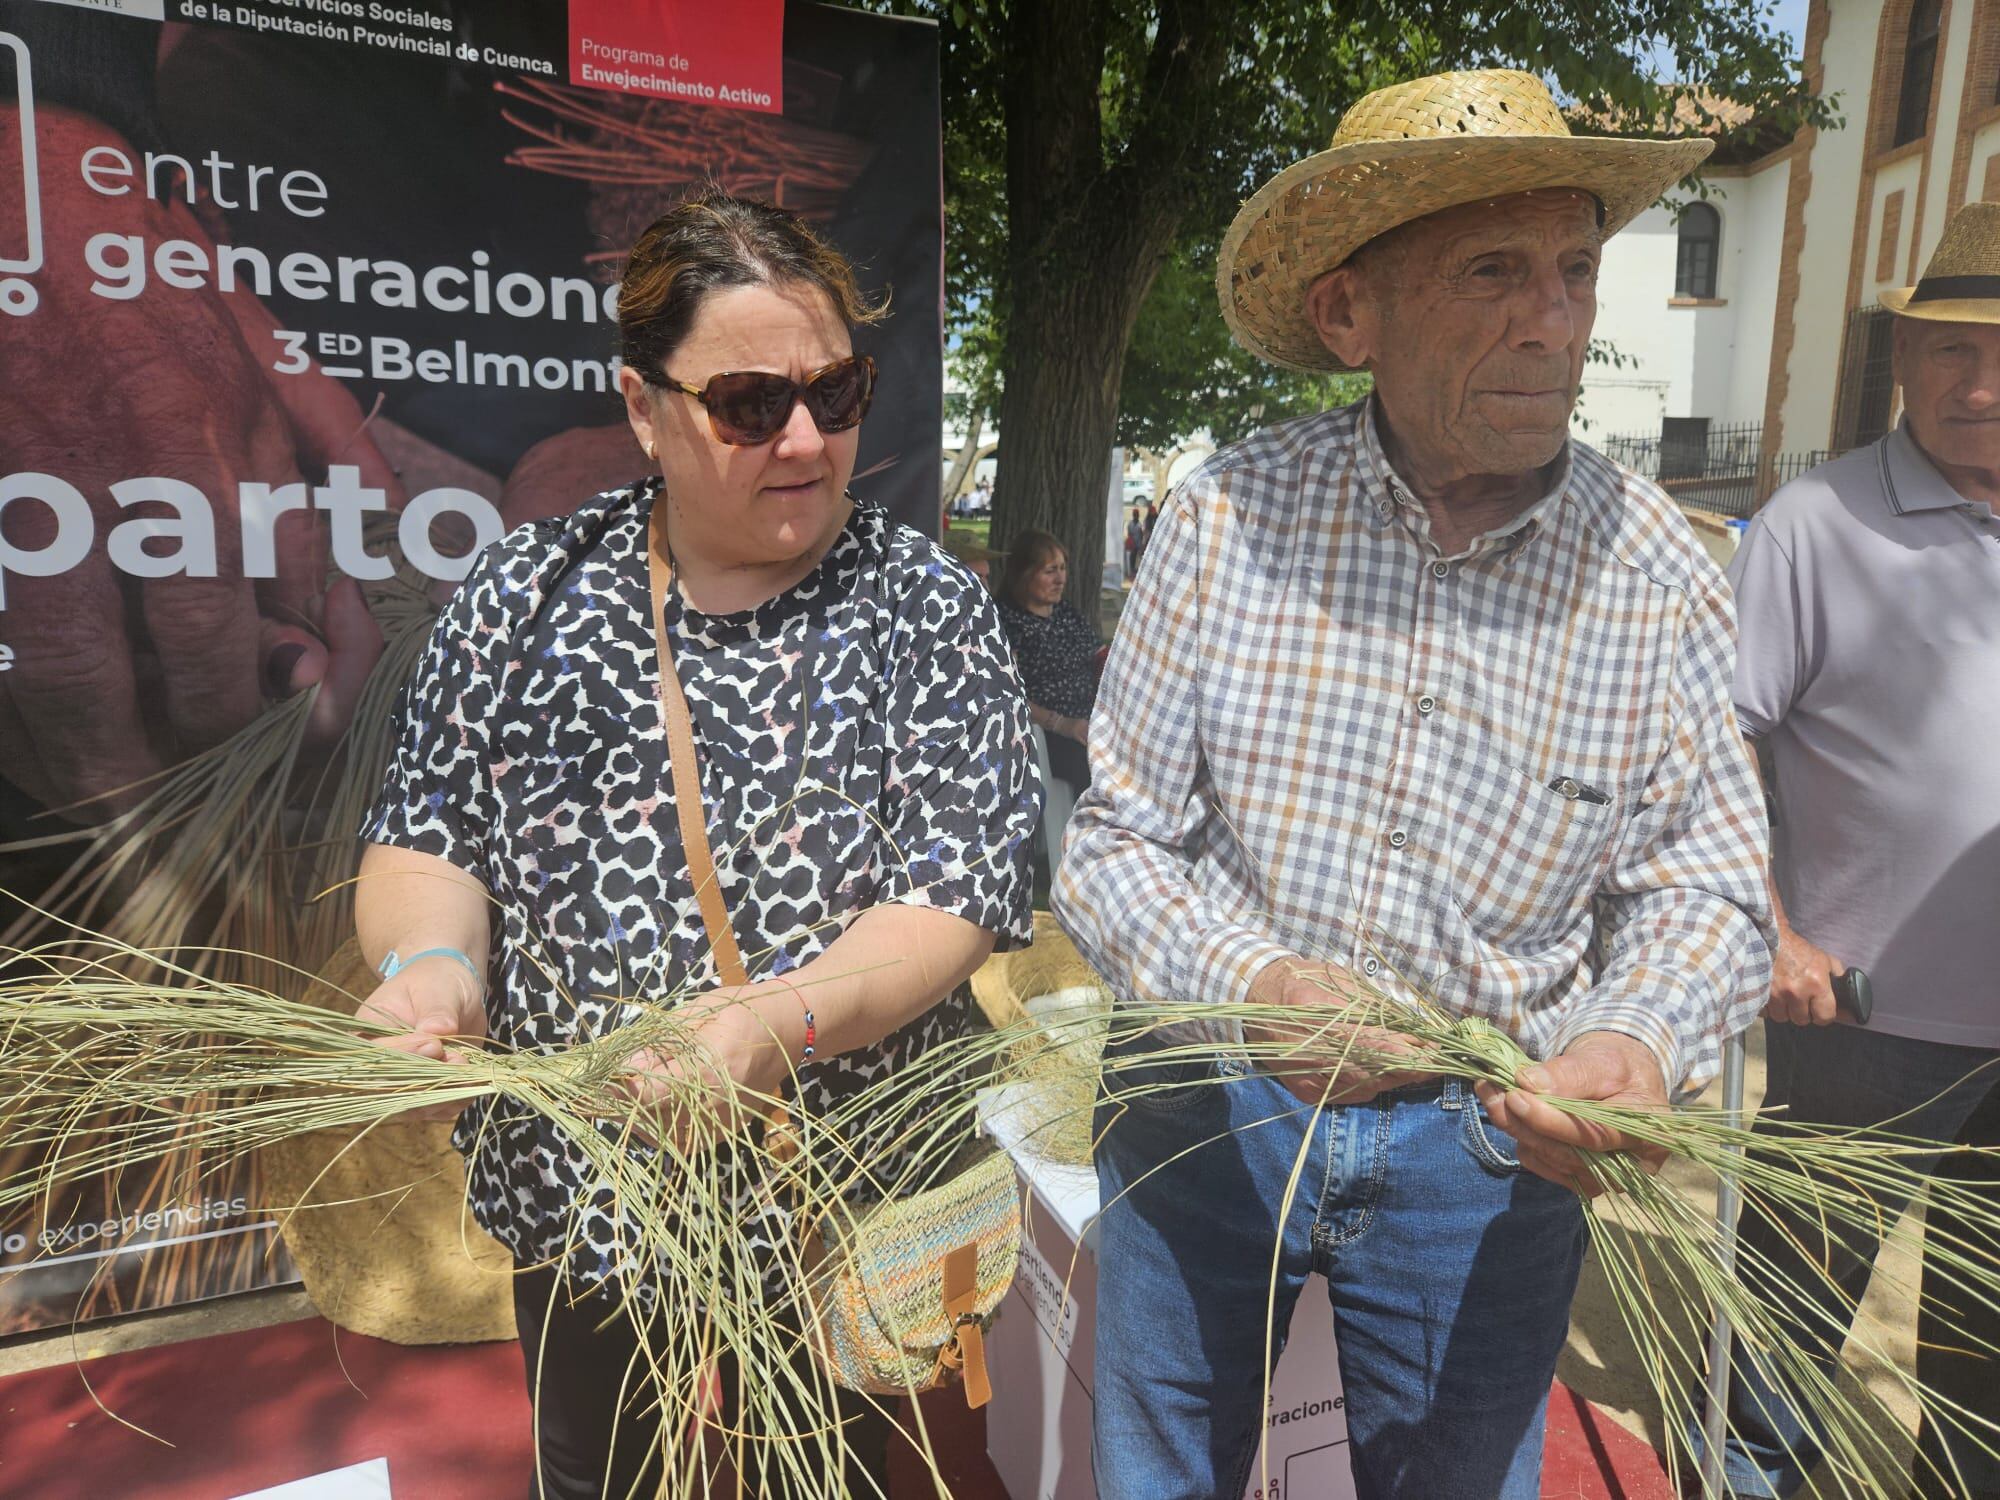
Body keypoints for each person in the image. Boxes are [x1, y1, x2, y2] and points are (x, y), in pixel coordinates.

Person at [1054, 69, 1773, 1500]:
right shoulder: (1227, 521)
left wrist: (1634, 1040)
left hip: (1483, 1160)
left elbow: (1710, 887)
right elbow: (1113, 845)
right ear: (1348, 314)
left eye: (1575, 271)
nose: (1556, 321)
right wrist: (1252, 985)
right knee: (1158, 1474)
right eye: (1495, 271)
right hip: (1208, 1108)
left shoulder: (1657, 574)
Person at [352, 190, 1039, 1499]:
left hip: (839, 1179)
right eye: (749, 405)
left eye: (837, 395)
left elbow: (956, 891)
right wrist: (435, 959)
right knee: (598, 1473)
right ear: (643, 406)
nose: (804, 439)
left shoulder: (926, 606)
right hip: (589, 1180)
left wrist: (783, 1022)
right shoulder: (525, 592)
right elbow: (426, 829)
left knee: (822, 1477)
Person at [1697, 201, 2000, 1500]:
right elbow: (1709, 745)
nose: (1982, 384)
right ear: (1901, 356)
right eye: (1950, 349)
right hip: (1859, 1030)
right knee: (1776, 1364)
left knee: (1984, 1385)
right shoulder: (1818, 524)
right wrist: (1768, 931)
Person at [995, 529, 1101, 802]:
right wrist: (1062, 723)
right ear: (1024, 573)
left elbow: (1099, 658)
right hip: (1044, 733)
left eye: (1063, 569)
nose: (1060, 579)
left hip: (1088, 723)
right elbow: (1005, 693)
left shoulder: (1066, 614)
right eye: (1050, 571)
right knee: (1090, 765)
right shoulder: (1005, 623)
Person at [1124, 508, 1146, 581]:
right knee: (1132, 557)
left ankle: (1135, 570)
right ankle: (1131, 570)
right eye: (1135, 515)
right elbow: (1129, 533)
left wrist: (1141, 544)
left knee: (1137, 557)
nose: (1136, 516)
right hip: (1132, 544)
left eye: (1137, 515)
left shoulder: (1139, 524)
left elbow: (1142, 534)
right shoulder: (1131, 524)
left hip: (1137, 543)